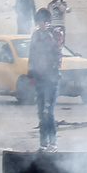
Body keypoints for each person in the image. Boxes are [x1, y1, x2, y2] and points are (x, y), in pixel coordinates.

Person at [27, 8, 62, 151]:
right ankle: (43, 143)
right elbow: (31, 56)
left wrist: (50, 37)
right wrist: (30, 75)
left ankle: (53, 143)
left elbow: (58, 51)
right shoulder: (35, 36)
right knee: (41, 112)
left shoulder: (55, 33)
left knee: (49, 111)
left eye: (43, 21)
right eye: (39, 21)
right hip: (39, 77)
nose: (41, 24)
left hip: (52, 78)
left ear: (48, 21)